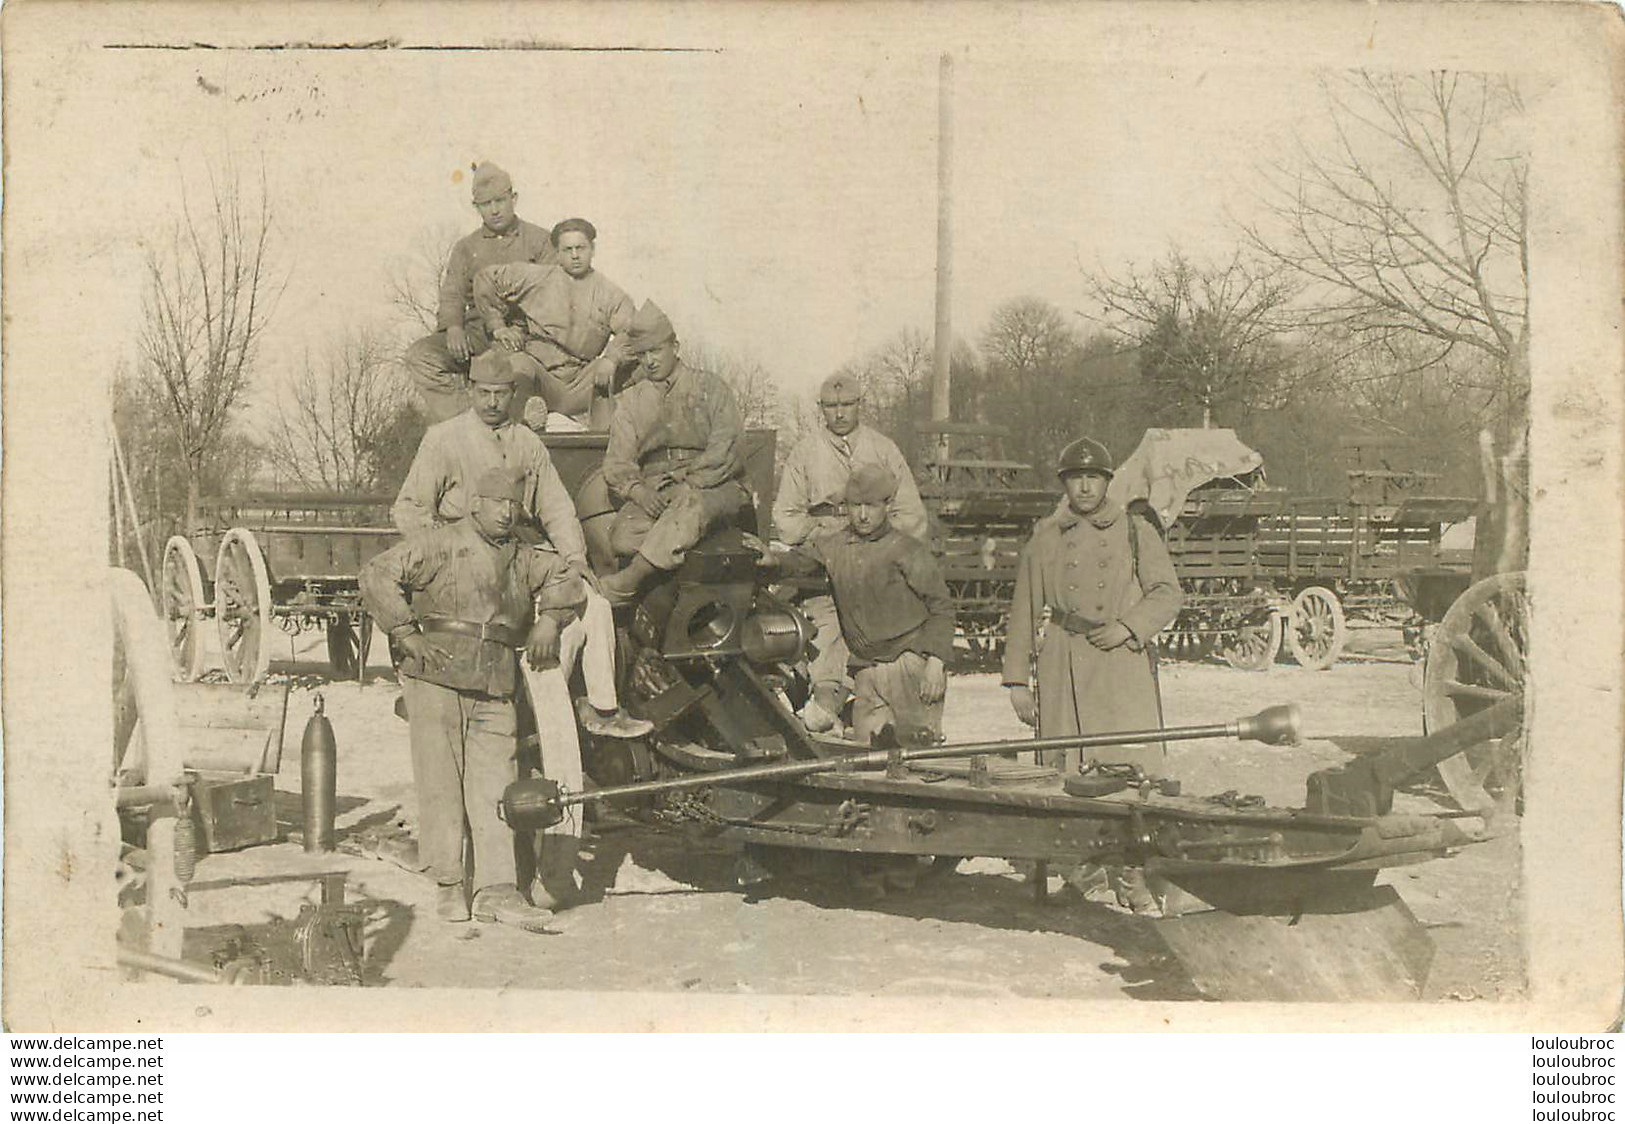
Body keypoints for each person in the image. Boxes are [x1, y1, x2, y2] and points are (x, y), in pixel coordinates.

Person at [360, 467, 581, 932]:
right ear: (474, 503)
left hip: (495, 682)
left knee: (497, 787)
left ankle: (496, 891)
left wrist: (550, 620)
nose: (507, 512)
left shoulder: (522, 556)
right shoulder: (438, 544)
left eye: (514, 504)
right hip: (436, 678)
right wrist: (404, 633)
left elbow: (566, 578)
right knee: (441, 783)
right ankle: (448, 885)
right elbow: (378, 573)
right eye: (498, 502)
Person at [392, 349, 650, 741]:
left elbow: (556, 507)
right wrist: (443, 549)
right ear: (470, 390)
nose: (492, 402)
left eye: (500, 393)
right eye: (483, 393)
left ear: (513, 393)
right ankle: (525, 707)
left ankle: (601, 708)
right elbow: (409, 508)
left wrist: (575, 558)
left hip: (520, 554)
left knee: (593, 604)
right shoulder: (443, 439)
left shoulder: (527, 442)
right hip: (465, 561)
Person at [1001, 435, 1182, 913]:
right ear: (1065, 483)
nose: (1084, 487)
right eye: (1075, 478)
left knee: (1127, 772)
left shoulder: (1134, 530)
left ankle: (1134, 876)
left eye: (1093, 478)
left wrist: (1127, 626)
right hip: (1062, 659)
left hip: (1120, 662)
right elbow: (1024, 608)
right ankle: (1079, 871)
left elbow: (1167, 593)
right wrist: (1017, 679)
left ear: (1106, 482)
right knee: (1066, 770)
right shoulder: (1045, 534)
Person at [772, 371, 929, 732]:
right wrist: (826, 534)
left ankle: (873, 704)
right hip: (825, 564)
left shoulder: (883, 449)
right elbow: (787, 518)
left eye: (846, 405)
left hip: (878, 565)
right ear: (820, 409)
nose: (839, 413)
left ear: (861, 404)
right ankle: (827, 695)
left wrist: (880, 541)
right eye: (831, 406)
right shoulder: (806, 452)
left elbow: (912, 516)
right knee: (825, 620)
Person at [772, 465, 952, 744]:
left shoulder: (906, 550)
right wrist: (769, 560)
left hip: (908, 666)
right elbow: (801, 562)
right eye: (856, 506)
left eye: (871, 505)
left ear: (887, 505)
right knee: (867, 760)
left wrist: (936, 664)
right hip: (866, 669)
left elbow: (941, 606)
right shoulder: (836, 546)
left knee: (918, 754)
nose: (863, 515)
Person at [599, 300, 749, 602]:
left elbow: (726, 448)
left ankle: (632, 578)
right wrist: (639, 491)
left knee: (690, 507)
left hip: (713, 485)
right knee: (622, 536)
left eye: (656, 350)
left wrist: (690, 482)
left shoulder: (711, 387)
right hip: (659, 488)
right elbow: (617, 461)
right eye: (642, 355)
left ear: (675, 346)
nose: (650, 361)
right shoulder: (631, 401)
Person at [402, 162, 556, 425]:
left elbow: (551, 298)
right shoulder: (466, 248)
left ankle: (513, 427)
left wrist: (522, 331)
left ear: (513, 198)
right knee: (420, 356)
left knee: (518, 372)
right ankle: (467, 423)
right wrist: (453, 328)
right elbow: (452, 293)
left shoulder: (540, 240)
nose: (494, 210)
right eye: (485, 204)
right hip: (477, 335)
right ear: (476, 208)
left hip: (523, 337)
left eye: (500, 200)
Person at [472, 217, 636, 433]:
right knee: (519, 363)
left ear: (592, 249)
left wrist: (611, 359)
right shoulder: (536, 277)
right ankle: (523, 424)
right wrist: (498, 326)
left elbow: (635, 330)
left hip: (583, 380)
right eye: (567, 249)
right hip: (541, 379)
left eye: (581, 248)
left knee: (633, 367)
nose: (575, 255)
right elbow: (485, 279)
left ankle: (607, 429)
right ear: (557, 253)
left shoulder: (609, 293)